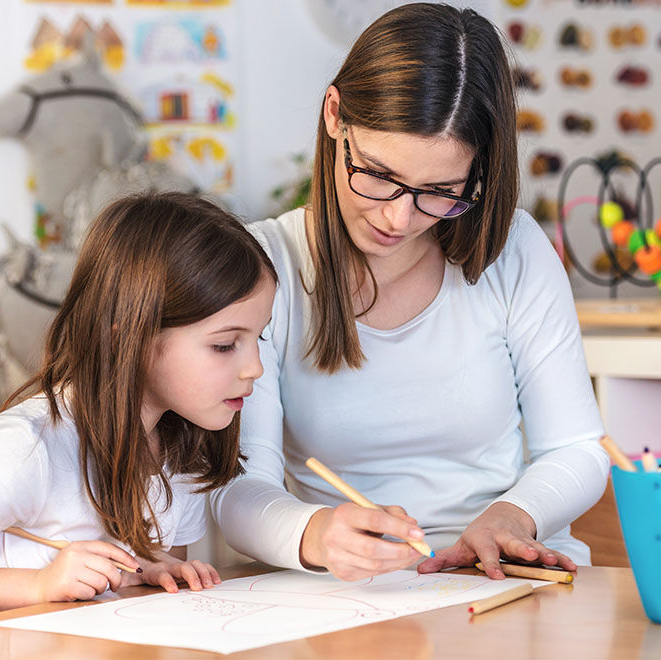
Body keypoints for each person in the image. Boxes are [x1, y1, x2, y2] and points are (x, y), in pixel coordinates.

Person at [212, 3, 609, 582]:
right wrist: (314, 533)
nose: (399, 218)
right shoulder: (265, 266)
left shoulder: (514, 250)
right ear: (334, 117)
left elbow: (577, 448)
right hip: (341, 595)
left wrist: (515, 515)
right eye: (377, 175)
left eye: (440, 191)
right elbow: (239, 485)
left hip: (506, 577)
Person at [0, 192, 277, 624]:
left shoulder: (182, 449)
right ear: (130, 337)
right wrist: (39, 586)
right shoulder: (25, 449)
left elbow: (128, 595)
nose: (254, 368)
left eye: (260, 338)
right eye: (224, 345)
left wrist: (151, 570)